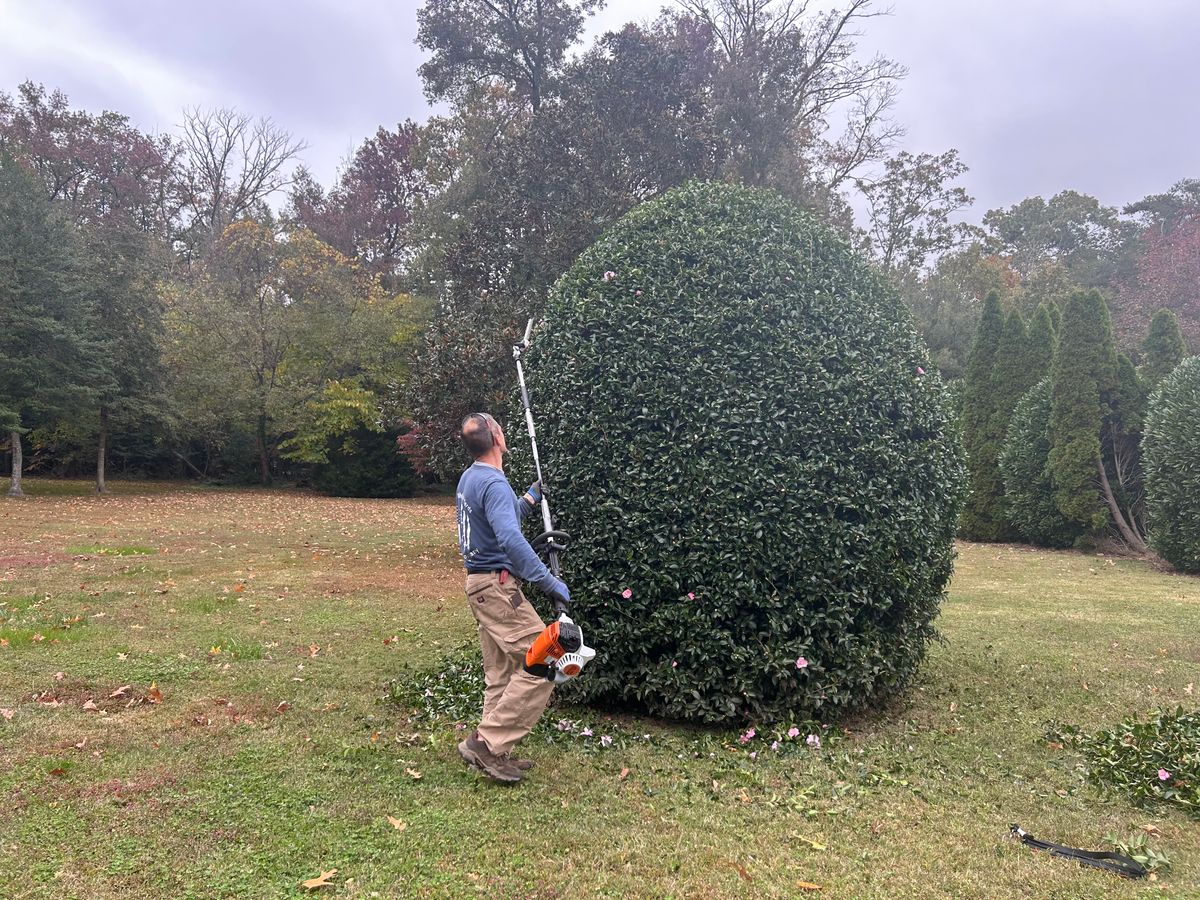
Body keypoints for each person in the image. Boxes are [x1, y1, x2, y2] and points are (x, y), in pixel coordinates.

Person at [454, 411, 570, 783]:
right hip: (499, 589)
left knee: (501, 673)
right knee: (545, 661)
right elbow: (509, 538)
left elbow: (500, 518)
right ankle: (486, 743)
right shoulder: (493, 482)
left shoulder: (472, 478)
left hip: (481, 587)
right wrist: (548, 582)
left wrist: (531, 498)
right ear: (499, 438)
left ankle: (494, 752)